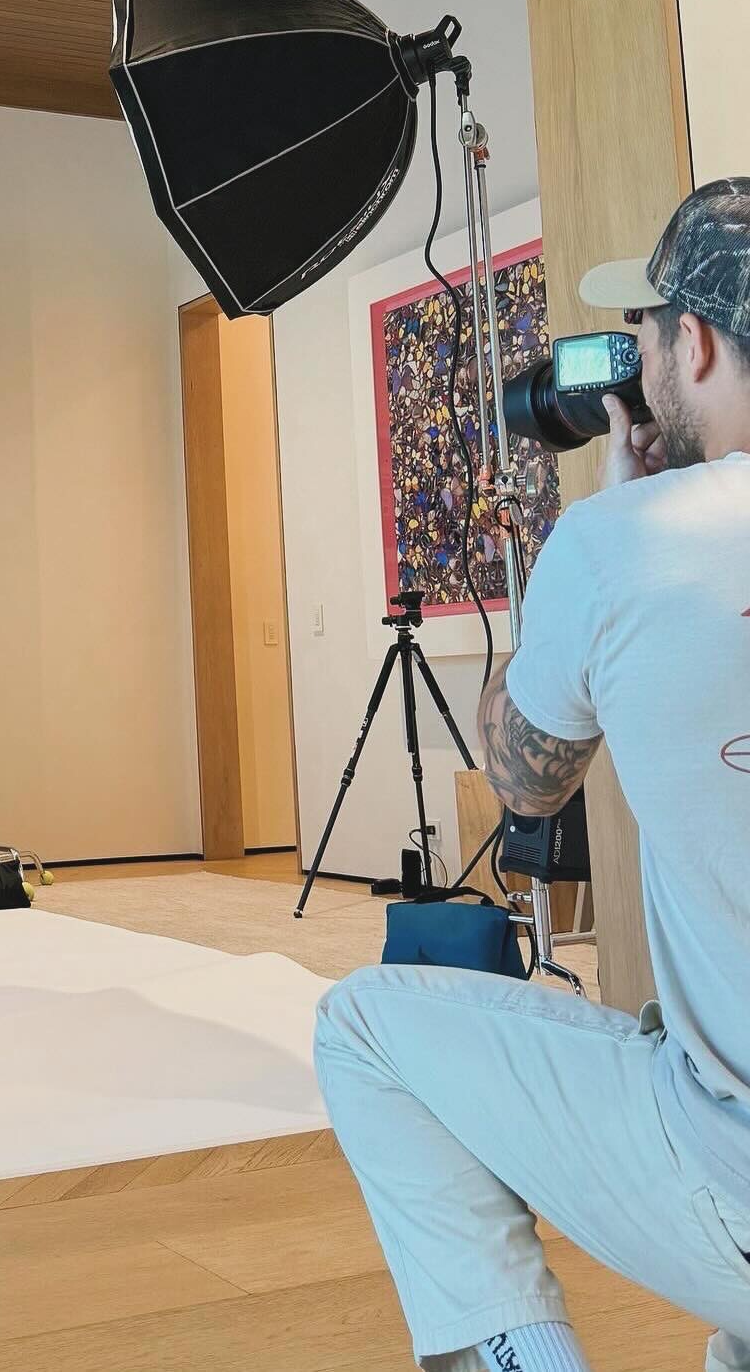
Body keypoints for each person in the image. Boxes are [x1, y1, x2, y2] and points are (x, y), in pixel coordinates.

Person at [314, 178, 750, 1372]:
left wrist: (595, 536)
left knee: (364, 1029)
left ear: (695, 345)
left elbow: (525, 782)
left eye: (644, 332)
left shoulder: (626, 542)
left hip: (736, 1186)